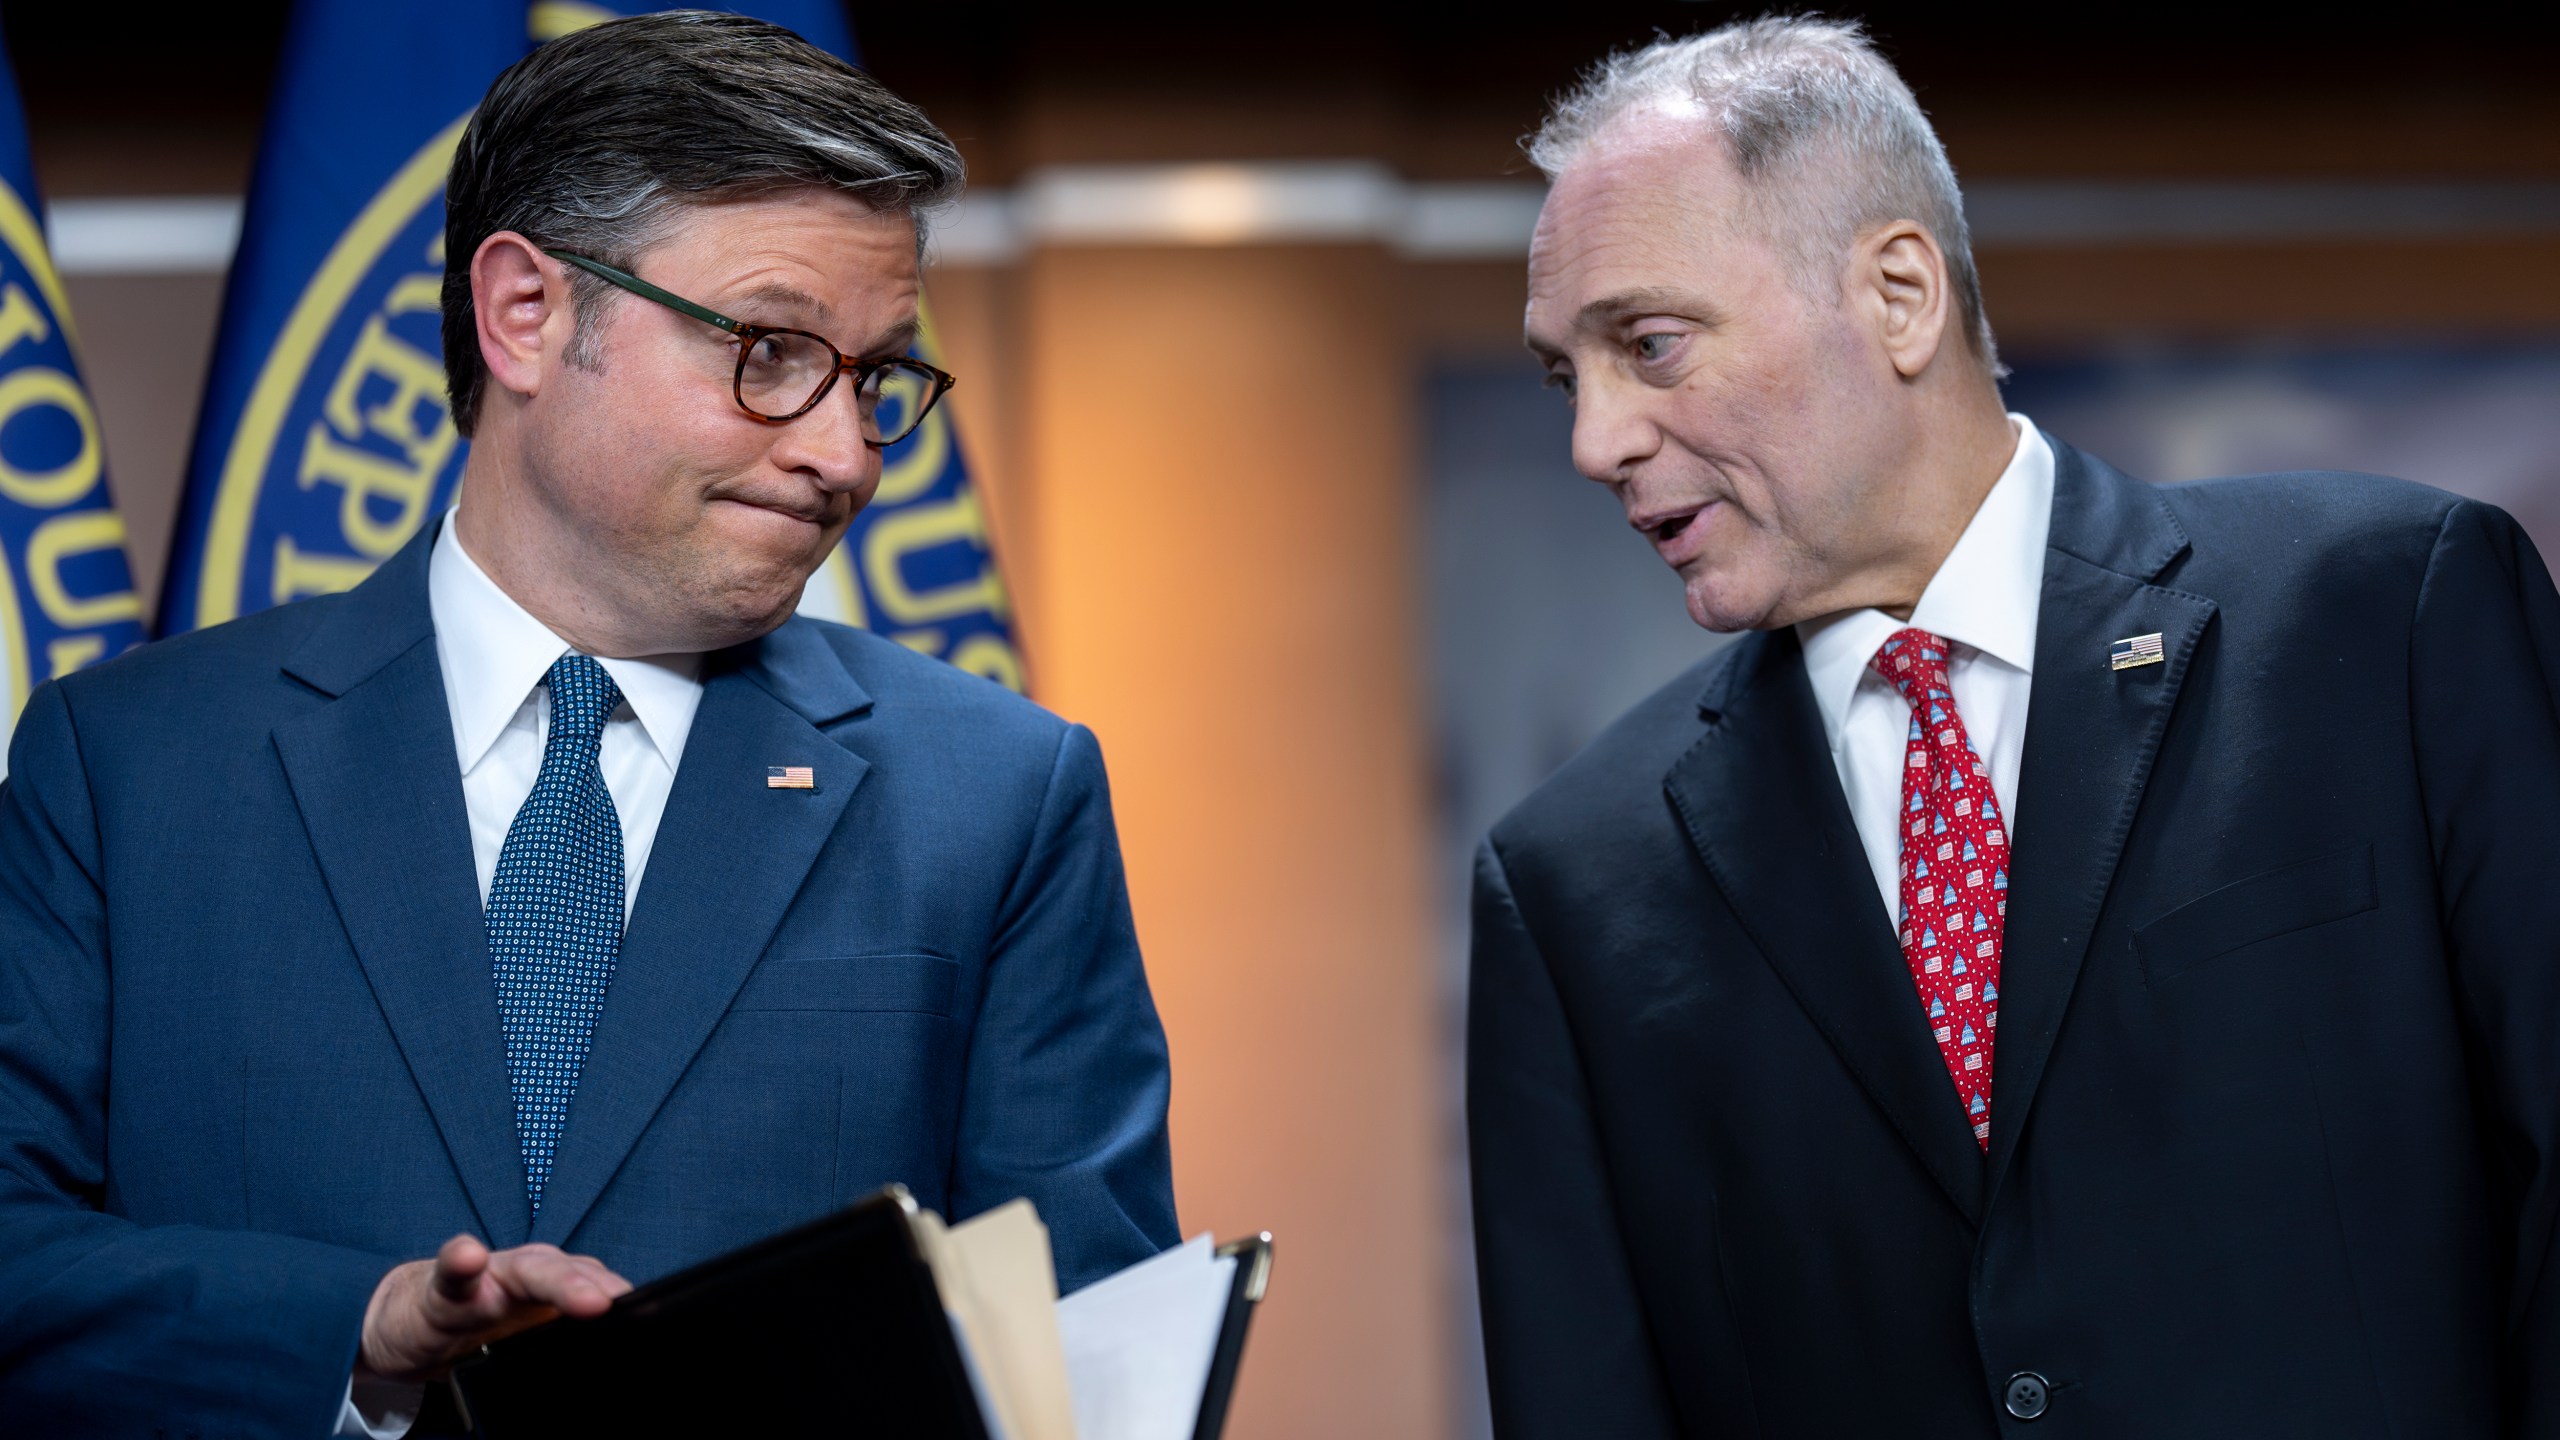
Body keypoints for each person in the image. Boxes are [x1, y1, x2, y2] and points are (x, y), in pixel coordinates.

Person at [0, 13, 1175, 1436]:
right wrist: (356, 1335)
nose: (842, 452)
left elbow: (1093, 1360)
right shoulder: (124, 767)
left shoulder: (997, 796)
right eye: (772, 350)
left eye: (875, 381)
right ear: (526, 315)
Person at [1470, 16, 2560, 1437]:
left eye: (1650, 346)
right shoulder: (1570, 887)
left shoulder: (2386, 619)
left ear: (1902, 294)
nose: (1595, 440)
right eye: (1569, 376)